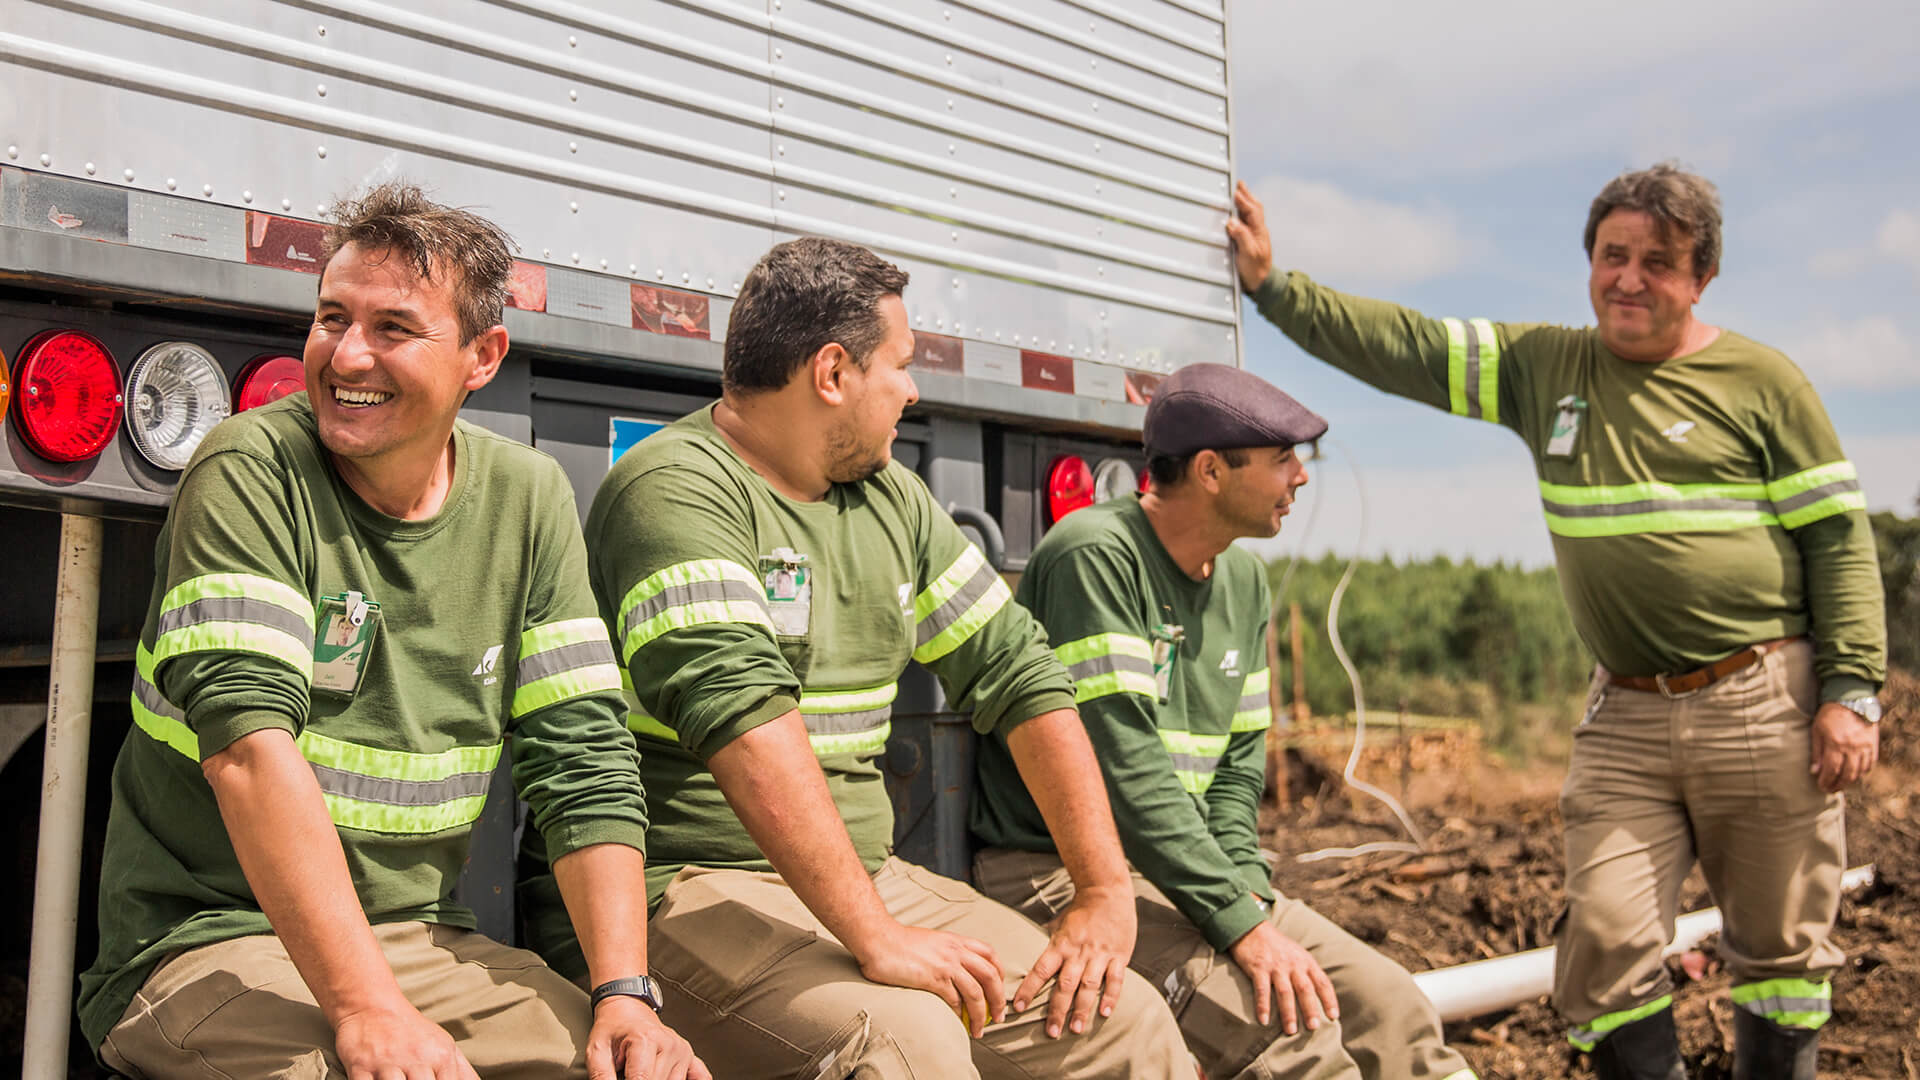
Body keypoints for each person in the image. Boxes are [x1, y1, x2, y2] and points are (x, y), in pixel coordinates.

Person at [1226, 164, 1886, 1080]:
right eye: (1612, 255)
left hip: (1760, 700)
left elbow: (1839, 542)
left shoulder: (1764, 382)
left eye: (1658, 261)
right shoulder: (1550, 368)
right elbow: (1409, 346)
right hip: (1626, 714)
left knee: (1781, 954)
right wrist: (1274, 289)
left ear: (1702, 279)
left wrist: (1851, 691)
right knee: (1608, 939)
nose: (1629, 277)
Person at [518, 235, 1192, 1078]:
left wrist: (1101, 892)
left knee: (1117, 1016)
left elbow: (1020, 674)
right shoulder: (674, 488)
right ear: (833, 374)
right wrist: (875, 936)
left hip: (864, 875)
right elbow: (741, 718)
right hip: (686, 886)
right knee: (906, 1042)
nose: (912, 390)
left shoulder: (890, 498)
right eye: (901, 365)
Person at [77, 182, 707, 1080]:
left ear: (483, 356)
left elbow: (583, 763)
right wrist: (368, 1007)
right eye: (333, 317)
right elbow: (249, 754)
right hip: (209, 941)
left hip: (423, 942)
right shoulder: (251, 469)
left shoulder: (528, 500)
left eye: (394, 329)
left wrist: (622, 996)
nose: (347, 355)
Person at [971, 363, 1477, 1080]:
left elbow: (1239, 772)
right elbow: (1127, 773)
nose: (1300, 477)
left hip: (1185, 872)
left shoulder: (1243, 582)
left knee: (1391, 1009)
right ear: (1210, 471)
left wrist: (1244, 894)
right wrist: (1240, 926)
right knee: (1286, 1037)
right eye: (1282, 459)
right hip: (1066, 872)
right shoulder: (1096, 556)